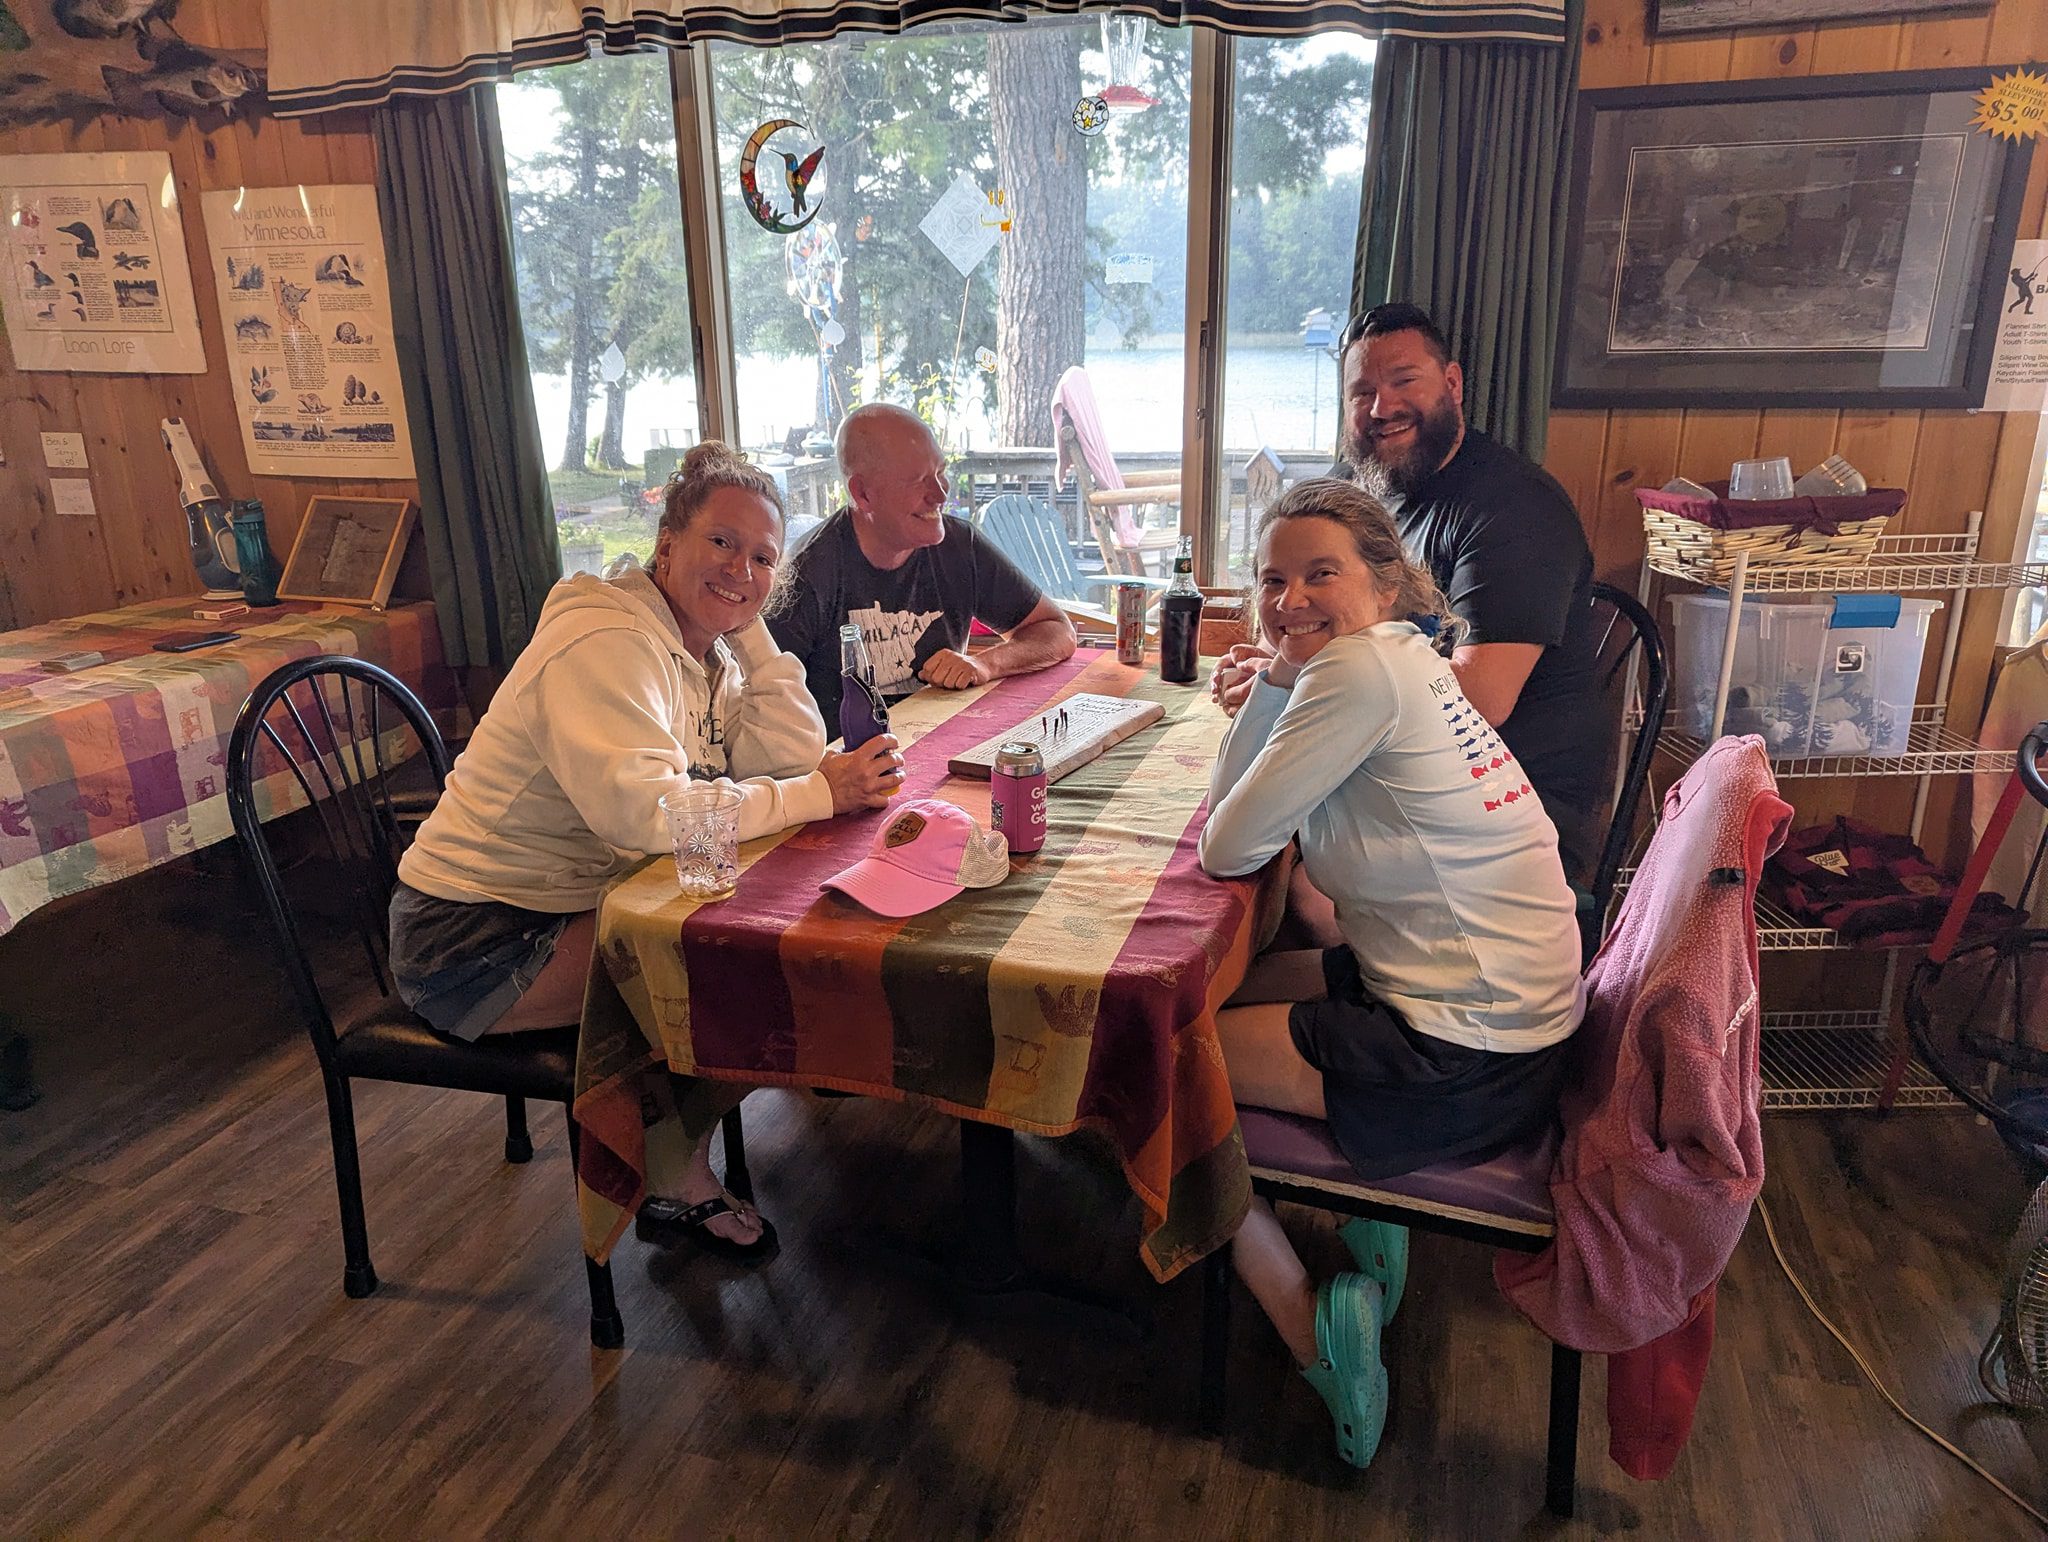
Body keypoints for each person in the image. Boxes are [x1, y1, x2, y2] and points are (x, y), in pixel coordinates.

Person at [389, 442, 903, 1259]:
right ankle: (673, 1179)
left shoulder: (703, 644)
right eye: (722, 543)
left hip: (571, 907)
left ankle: (677, 1149)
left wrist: (750, 623)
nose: (741, 566)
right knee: (717, 965)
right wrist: (821, 792)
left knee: (735, 951)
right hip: (471, 941)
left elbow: (790, 753)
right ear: (667, 544)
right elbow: (648, 817)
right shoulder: (607, 641)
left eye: (765, 557)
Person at [1199, 478, 1585, 1469]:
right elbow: (1231, 811)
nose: (1289, 600)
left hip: (1462, 1053)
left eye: (1318, 573)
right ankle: (1374, 1228)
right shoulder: (1403, 657)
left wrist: (1283, 682)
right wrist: (1281, 678)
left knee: (1166, 1056)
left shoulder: (1359, 674)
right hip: (1502, 1016)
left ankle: (1312, 1328)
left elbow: (1226, 845)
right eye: (1271, 578)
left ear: (1382, 578)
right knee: (1237, 985)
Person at [1213, 303, 1608, 883]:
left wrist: (1299, 678)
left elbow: (1483, 697)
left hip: (1510, 811)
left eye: (1403, 381)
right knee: (1264, 831)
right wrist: (1281, 664)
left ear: (1452, 383)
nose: (1382, 408)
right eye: (1361, 391)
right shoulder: (1362, 493)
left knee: (1294, 878)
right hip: (1398, 773)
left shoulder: (1514, 510)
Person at [769, 402, 1077, 725]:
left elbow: (1057, 631)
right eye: (918, 480)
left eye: (941, 472)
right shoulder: (805, 574)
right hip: (845, 764)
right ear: (863, 494)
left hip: (943, 745)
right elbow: (763, 712)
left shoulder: (960, 546)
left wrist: (985, 664)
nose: (941, 494)